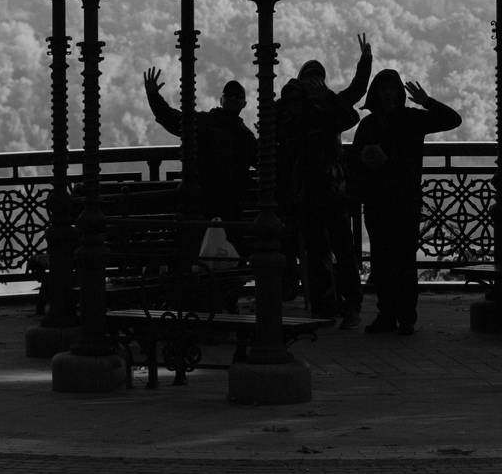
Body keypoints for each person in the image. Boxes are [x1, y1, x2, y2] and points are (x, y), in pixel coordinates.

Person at [351, 68, 461, 336]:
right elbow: (354, 160)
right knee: (383, 261)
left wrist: (426, 101)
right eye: (384, 89)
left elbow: (452, 120)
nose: (388, 94)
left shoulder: (409, 119)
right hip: (381, 200)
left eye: (391, 89)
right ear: (377, 93)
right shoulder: (374, 124)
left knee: (402, 260)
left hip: (401, 200)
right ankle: (390, 315)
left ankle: (402, 316)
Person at [277, 35, 372, 327]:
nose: (314, 83)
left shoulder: (329, 105)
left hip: (324, 190)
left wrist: (365, 63)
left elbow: (354, 96)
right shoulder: (301, 108)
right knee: (325, 250)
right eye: (310, 78)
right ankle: (332, 305)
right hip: (321, 189)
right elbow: (354, 94)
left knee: (335, 250)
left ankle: (340, 305)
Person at [143, 68, 258, 236]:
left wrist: (153, 96)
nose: (233, 98)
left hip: (210, 203)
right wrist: (153, 96)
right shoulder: (239, 134)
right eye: (230, 95)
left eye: (237, 96)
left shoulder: (212, 125)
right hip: (217, 203)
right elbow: (172, 118)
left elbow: (173, 119)